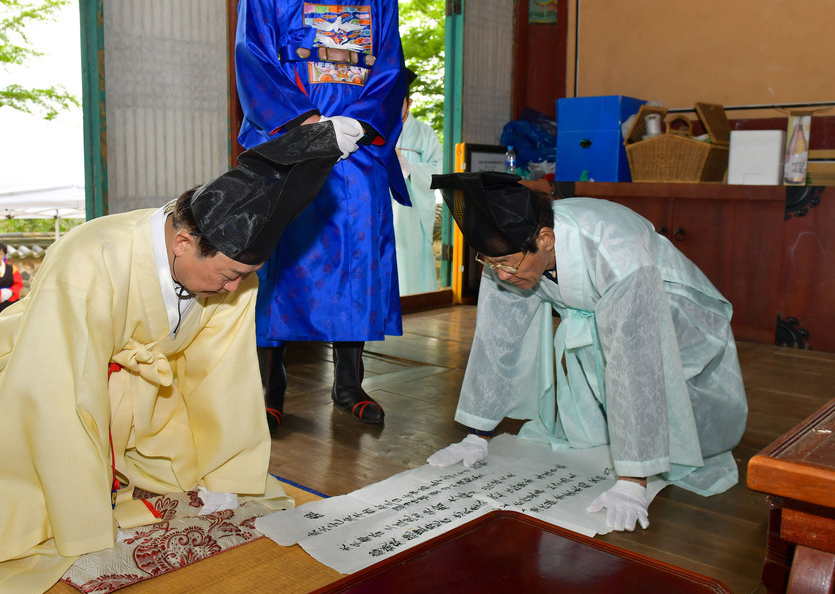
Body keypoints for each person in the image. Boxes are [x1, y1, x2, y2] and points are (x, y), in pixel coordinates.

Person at [0, 122, 344, 594]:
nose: (235, 288)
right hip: (38, 371)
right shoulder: (90, 258)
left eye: (246, 276)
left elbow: (222, 380)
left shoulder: (229, 281)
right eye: (230, 274)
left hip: (142, 393)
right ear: (184, 243)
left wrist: (227, 476)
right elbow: (58, 392)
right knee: (21, 509)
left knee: (181, 465)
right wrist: (82, 516)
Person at [426, 172, 748, 532]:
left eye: (508, 264)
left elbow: (635, 364)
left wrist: (631, 482)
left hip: (670, 307)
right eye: (490, 263)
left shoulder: (615, 252)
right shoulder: (508, 256)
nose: (501, 275)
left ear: (545, 239)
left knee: (682, 415)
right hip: (601, 313)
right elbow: (497, 340)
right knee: (601, 400)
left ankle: (652, 457)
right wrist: (477, 435)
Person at [235, 0, 410, 431]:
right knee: (276, 260)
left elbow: (389, 66)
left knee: (359, 263)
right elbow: (252, 52)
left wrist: (359, 125)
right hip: (291, 132)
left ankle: (349, 385)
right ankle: (268, 389)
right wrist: (307, 121)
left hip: (359, 143)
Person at [391, 67, 442, 295]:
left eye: (398, 101)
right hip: (385, 211)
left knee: (411, 262)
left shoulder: (425, 133)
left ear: (409, 102)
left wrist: (408, 167)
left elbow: (437, 171)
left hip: (413, 214)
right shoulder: (378, 133)